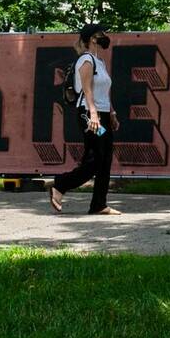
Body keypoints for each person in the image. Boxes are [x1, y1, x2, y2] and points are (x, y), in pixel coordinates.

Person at [49, 24, 121, 215]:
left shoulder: (100, 62)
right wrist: (94, 115)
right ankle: (60, 185)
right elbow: (87, 90)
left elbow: (103, 91)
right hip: (89, 114)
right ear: (91, 38)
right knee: (95, 158)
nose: (105, 36)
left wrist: (111, 113)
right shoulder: (86, 60)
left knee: (104, 158)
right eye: (101, 34)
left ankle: (99, 204)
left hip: (102, 115)